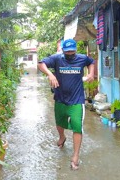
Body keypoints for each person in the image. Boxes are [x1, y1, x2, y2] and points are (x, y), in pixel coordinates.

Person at [37, 39, 95, 170]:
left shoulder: (81, 58)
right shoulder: (57, 59)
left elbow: (91, 62)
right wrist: (50, 74)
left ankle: (75, 155)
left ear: (75, 50)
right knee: (59, 123)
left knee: (77, 127)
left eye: (72, 51)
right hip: (60, 99)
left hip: (77, 100)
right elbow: (40, 64)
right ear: (63, 50)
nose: (70, 54)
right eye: (67, 51)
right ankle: (62, 137)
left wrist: (91, 73)